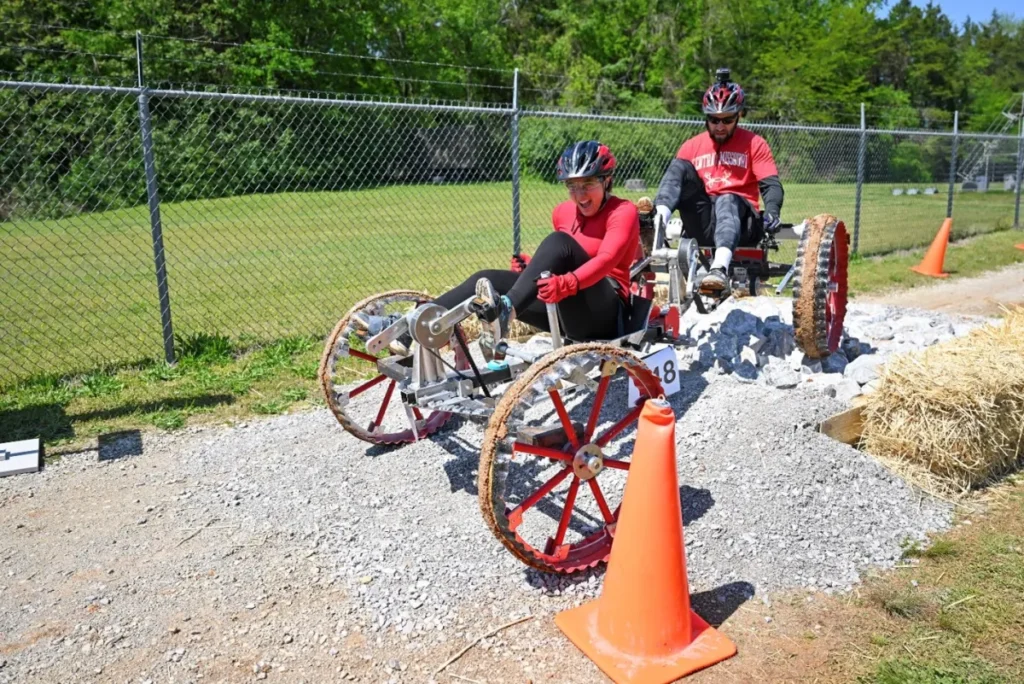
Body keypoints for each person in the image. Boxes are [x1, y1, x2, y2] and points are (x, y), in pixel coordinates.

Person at [353, 140, 640, 353]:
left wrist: (568, 282)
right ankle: (407, 327)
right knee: (486, 279)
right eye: (572, 186)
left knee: (559, 242)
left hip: (605, 315)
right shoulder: (562, 212)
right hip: (566, 311)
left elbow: (606, 258)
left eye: (587, 184)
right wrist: (533, 269)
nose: (579, 195)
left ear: (607, 180)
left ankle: (505, 313)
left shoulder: (622, 211)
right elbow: (563, 260)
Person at [653, 68, 784, 294]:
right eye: (714, 120)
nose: (720, 126)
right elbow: (677, 183)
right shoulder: (691, 146)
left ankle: (718, 271)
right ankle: (655, 225)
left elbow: (770, 184)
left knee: (727, 199)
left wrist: (772, 211)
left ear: (739, 116)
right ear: (706, 117)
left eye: (727, 120)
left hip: (742, 222)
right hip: (704, 222)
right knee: (679, 166)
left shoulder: (755, 144)